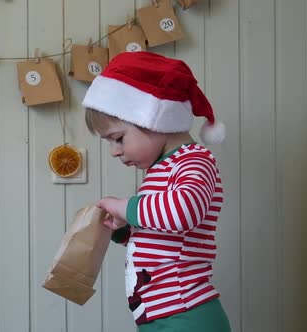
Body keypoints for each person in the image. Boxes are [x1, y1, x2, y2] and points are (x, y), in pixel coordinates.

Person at [82, 51, 230, 332]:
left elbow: (183, 212)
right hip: (158, 315)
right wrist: (124, 229)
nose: (114, 152)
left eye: (118, 138)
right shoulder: (162, 169)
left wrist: (125, 206)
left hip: (186, 316)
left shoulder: (194, 160)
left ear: (155, 119)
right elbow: (165, 241)